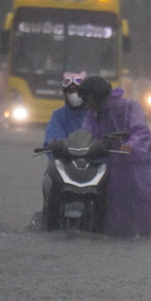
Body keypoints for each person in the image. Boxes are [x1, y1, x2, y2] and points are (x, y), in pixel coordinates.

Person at [75, 75, 151, 237]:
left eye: (87, 100)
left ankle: (146, 234)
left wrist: (130, 146)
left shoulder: (130, 106)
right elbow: (85, 134)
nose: (85, 105)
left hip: (136, 168)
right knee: (110, 202)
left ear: (97, 97)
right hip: (108, 165)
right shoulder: (93, 113)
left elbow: (141, 131)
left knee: (138, 203)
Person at [41, 72, 89, 230]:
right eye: (70, 91)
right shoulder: (58, 115)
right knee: (50, 183)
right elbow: (51, 139)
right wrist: (56, 147)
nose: (74, 95)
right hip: (64, 165)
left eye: (77, 91)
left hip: (90, 165)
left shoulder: (94, 114)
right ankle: (51, 225)